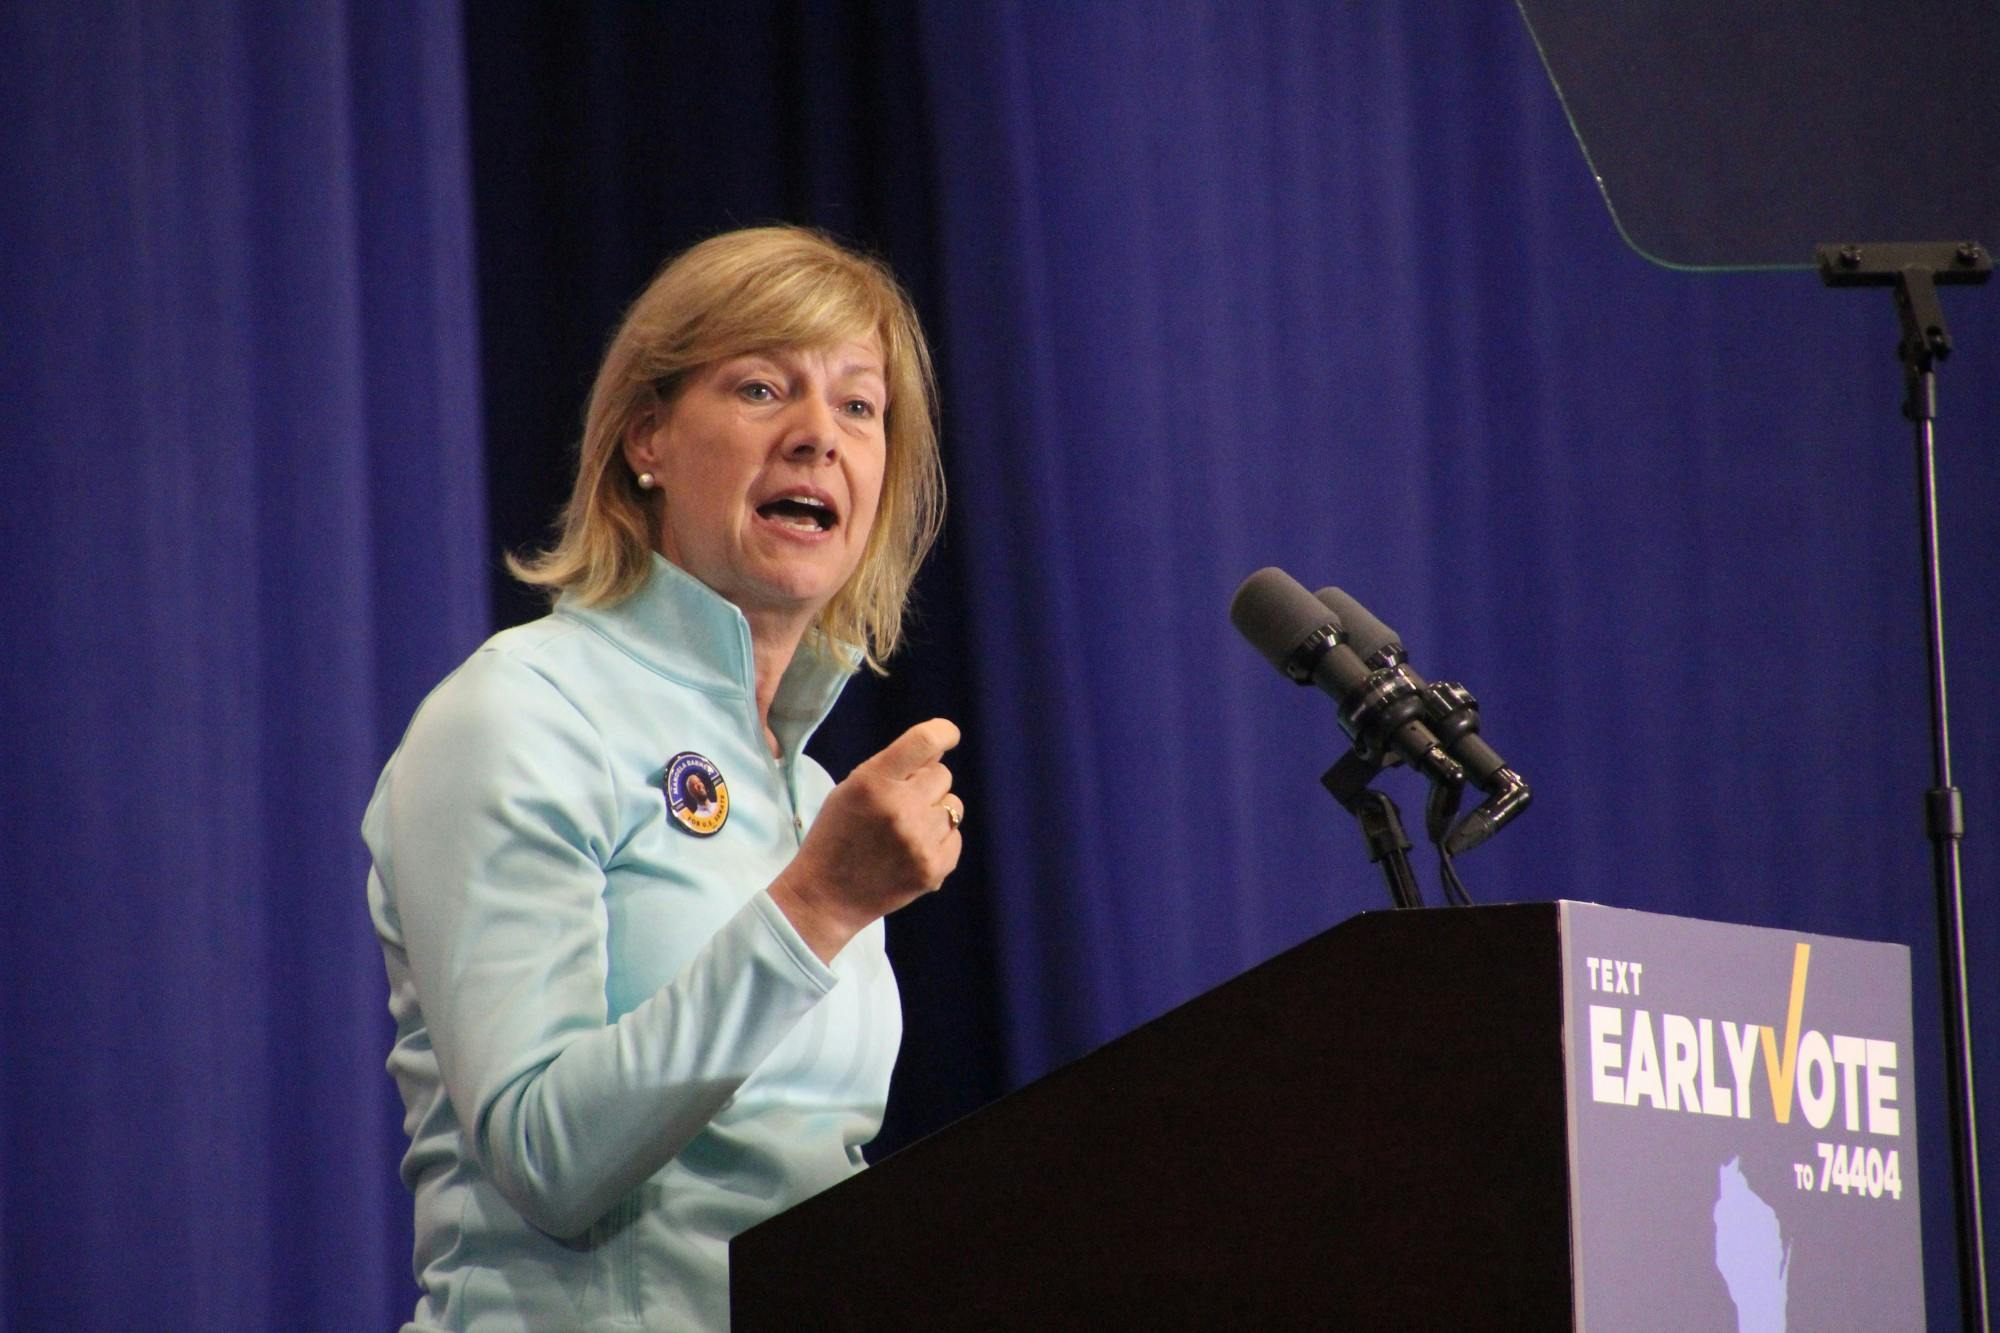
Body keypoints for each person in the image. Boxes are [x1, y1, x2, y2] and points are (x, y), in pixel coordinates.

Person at [363, 225, 963, 1331]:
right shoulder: (520, 712)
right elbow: (545, 1155)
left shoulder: (812, 791)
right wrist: (816, 905)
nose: (818, 435)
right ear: (647, 437)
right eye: (761, 387)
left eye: (858, 405)